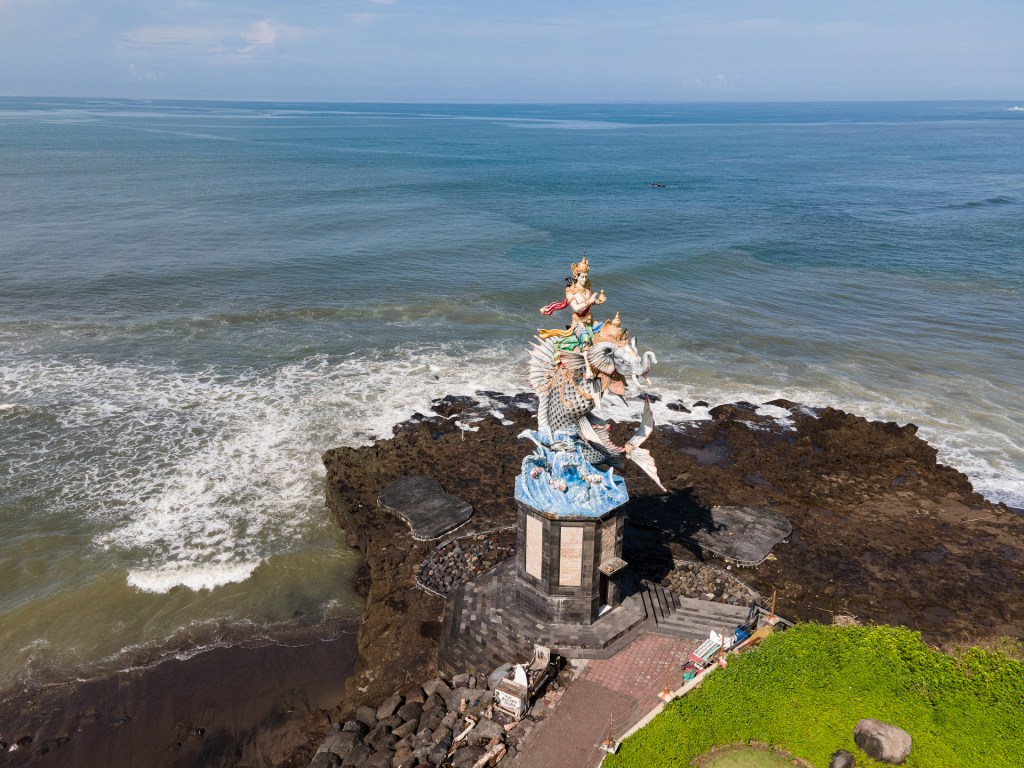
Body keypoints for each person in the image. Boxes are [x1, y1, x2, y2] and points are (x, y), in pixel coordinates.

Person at [538, 255, 606, 352]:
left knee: (606, 328)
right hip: (578, 323)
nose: (585, 279)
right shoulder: (571, 291)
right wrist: (589, 301)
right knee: (586, 340)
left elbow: (591, 303)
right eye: (582, 277)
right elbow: (576, 308)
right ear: (577, 276)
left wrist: (598, 301)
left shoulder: (587, 288)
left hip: (589, 321)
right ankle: (585, 359)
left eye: (586, 277)